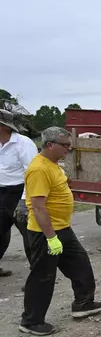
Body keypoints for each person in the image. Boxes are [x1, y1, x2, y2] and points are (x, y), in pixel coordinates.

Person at [20, 127, 101, 336]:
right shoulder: (39, 169)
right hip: (45, 233)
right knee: (43, 276)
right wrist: (51, 238)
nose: (69, 148)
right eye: (65, 145)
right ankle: (31, 321)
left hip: (62, 228)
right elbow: (38, 207)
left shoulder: (53, 165)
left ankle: (83, 303)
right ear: (50, 145)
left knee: (80, 264)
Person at [0, 109, 38, 276]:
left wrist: (24, 201)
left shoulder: (24, 144)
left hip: (20, 192)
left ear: (3, 126)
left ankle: (36, 276)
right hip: (2, 193)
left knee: (30, 236)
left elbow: (33, 174)